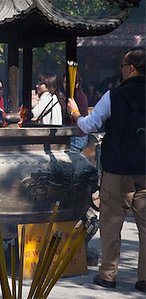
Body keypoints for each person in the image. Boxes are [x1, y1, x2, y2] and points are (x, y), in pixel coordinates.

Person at [67, 47, 145, 293]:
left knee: (112, 224)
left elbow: (90, 125)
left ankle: (108, 274)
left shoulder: (114, 95)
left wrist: (76, 114)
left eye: (122, 66)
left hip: (116, 171)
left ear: (130, 68)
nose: (120, 71)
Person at [62, 72, 89, 152]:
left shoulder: (76, 96)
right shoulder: (78, 94)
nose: (66, 85)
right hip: (81, 135)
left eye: (69, 83)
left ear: (77, 84)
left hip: (76, 136)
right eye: (64, 82)